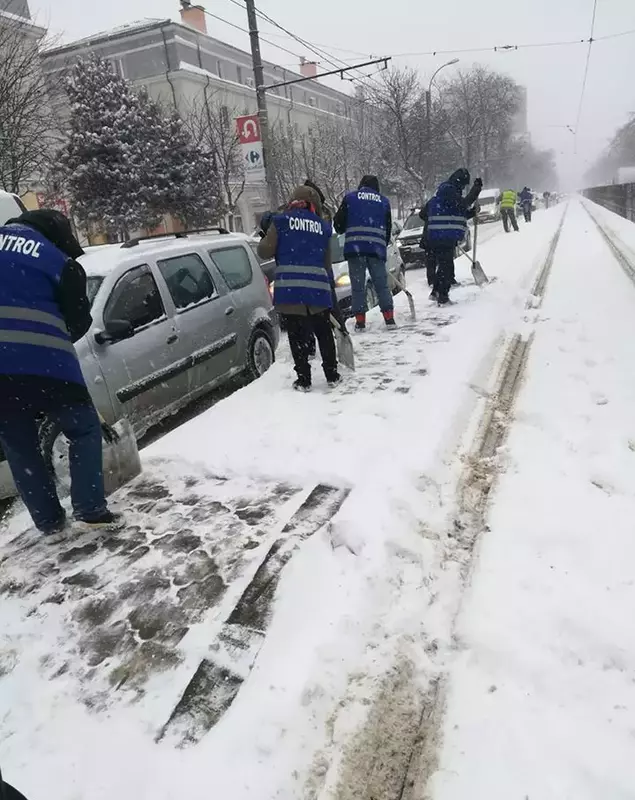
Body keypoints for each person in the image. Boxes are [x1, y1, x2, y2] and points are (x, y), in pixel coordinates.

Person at [0, 209, 122, 536]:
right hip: (48, 363)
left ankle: (49, 522)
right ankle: (90, 509)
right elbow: (80, 321)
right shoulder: (58, 260)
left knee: (19, 446)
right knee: (82, 429)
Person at [258, 185, 341, 391]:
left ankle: (304, 379)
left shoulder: (281, 222)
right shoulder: (322, 226)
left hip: (291, 288)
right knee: (324, 332)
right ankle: (331, 374)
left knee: (297, 334)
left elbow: (264, 251)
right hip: (317, 288)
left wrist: (267, 233)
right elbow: (327, 263)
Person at [333, 175, 394, 331]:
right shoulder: (383, 201)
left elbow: (338, 224)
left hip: (355, 249)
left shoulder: (350, 199)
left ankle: (360, 322)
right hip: (376, 250)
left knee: (358, 287)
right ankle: (389, 318)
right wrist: (381, 245)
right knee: (381, 285)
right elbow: (387, 229)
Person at [426, 169, 482, 306]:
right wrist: (476, 189)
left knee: (444, 265)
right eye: (463, 185)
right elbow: (463, 204)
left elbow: (458, 213)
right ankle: (443, 297)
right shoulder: (449, 190)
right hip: (442, 235)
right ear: (459, 181)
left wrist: (472, 213)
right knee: (446, 266)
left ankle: (436, 292)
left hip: (440, 235)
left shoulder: (447, 193)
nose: (463, 188)